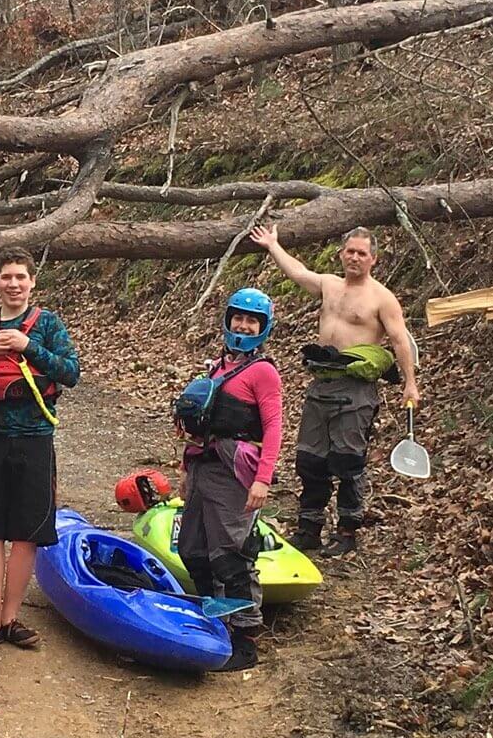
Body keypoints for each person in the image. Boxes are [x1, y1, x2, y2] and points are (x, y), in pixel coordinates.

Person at [249, 224, 419, 557]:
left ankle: (347, 531)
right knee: (310, 459)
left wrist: (411, 383)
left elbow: (400, 340)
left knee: (348, 461)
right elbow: (298, 273)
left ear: (374, 259)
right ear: (341, 253)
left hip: (355, 390)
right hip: (321, 384)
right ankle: (308, 529)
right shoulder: (329, 285)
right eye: (350, 251)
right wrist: (273, 246)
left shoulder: (382, 298)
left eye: (362, 253)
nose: (354, 257)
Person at [0, 248, 80, 649]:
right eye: (6, 277)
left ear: (32, 282)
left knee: (27, 534)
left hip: (36, 438)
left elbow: (70, 373)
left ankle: (10, 619)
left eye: (21, 276)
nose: (14, 283)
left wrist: (28, 346)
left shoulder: (48, 325)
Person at [172, 288, 283, 672]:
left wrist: (262, 480)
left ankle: (246, 640)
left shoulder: (263, 372)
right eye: (238, 317)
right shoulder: (217, 367)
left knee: (231, 556)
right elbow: (200, 428)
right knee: (192, 550)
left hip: (235, 472)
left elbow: (273, 428)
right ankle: (214, 616)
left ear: (263, 328)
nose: (243, 325)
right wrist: (187, 472)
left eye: (252, 320)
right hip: (204, 465)